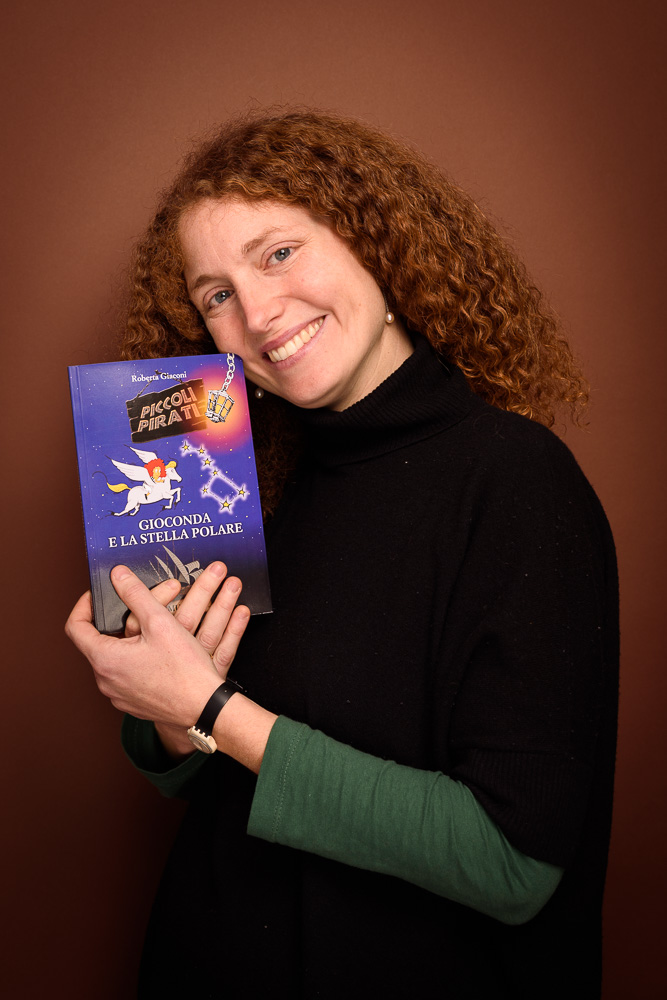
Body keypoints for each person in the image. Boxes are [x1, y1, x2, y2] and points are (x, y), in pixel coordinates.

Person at [66, 110, 618, 998]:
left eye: (278, 254)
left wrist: (210, 706)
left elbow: (511, 864)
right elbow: (207, 770)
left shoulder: (516, 482)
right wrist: (169, 716)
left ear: (376, 243)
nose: (256, 314)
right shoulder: (248, 486)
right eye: (215, 295)